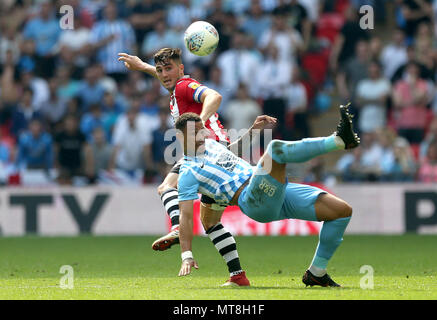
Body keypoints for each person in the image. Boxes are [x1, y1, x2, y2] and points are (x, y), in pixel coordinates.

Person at [175, 104, 360, 287]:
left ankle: (317, 273)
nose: (202, 136)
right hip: (254, 199)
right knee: (275, 150)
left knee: (341, 211)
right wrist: (186, 255)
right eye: (194, 133)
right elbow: (186, 216)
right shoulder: (187, 173)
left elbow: (231, 152)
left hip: (275, 191)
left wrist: (253, 131)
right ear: (180, 136)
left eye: (203, 130)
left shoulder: (211, 145)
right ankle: (338, 140)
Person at [118, 48, 251, 286]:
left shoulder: (184, 86)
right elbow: (165, 77)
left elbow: (215, 97)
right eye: (160, 70)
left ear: (181, 68)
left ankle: (179, 228)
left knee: (166, 187)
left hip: (207, 148)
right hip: (218, 150)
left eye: (168, 68)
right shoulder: (176, 89)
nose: (163, 74)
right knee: (210, 222)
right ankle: (238, 276)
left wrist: (199, 121)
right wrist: (143, 67)